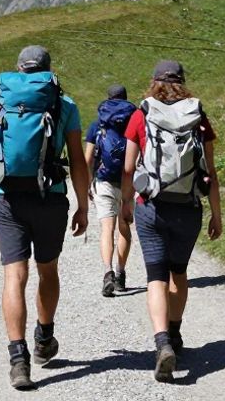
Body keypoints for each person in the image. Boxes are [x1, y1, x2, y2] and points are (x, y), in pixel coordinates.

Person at [0, 45, 90, 390]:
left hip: (9, 199)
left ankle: (18, 360)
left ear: (17, 69)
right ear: (47, 70)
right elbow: (77, 160)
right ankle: (44, 337)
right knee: (47, 269)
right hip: (50, 199)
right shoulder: (64, 104)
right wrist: (83, 205)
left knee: (15, 275)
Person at [122, 60, 222, 383]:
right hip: (188, 207)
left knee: (156, 276)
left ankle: (162, 341)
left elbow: (127, 167)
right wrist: (217, 215)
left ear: (153, 82)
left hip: (150, 206)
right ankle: (176, 336)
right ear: (182, 82)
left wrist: (126, 204)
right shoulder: (197, 116)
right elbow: (211, 170)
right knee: (178, 272)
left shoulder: (142, 114)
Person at [84, 83, 137, 297]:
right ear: (126, 99)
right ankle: (121, 274)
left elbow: (88, 158)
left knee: (107, 228)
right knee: (124, 228)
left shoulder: (97, 124)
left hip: (103, 180)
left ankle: (107, 273)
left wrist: (88, 183)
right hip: (128, 182)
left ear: (107, 99)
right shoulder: (135, 122)